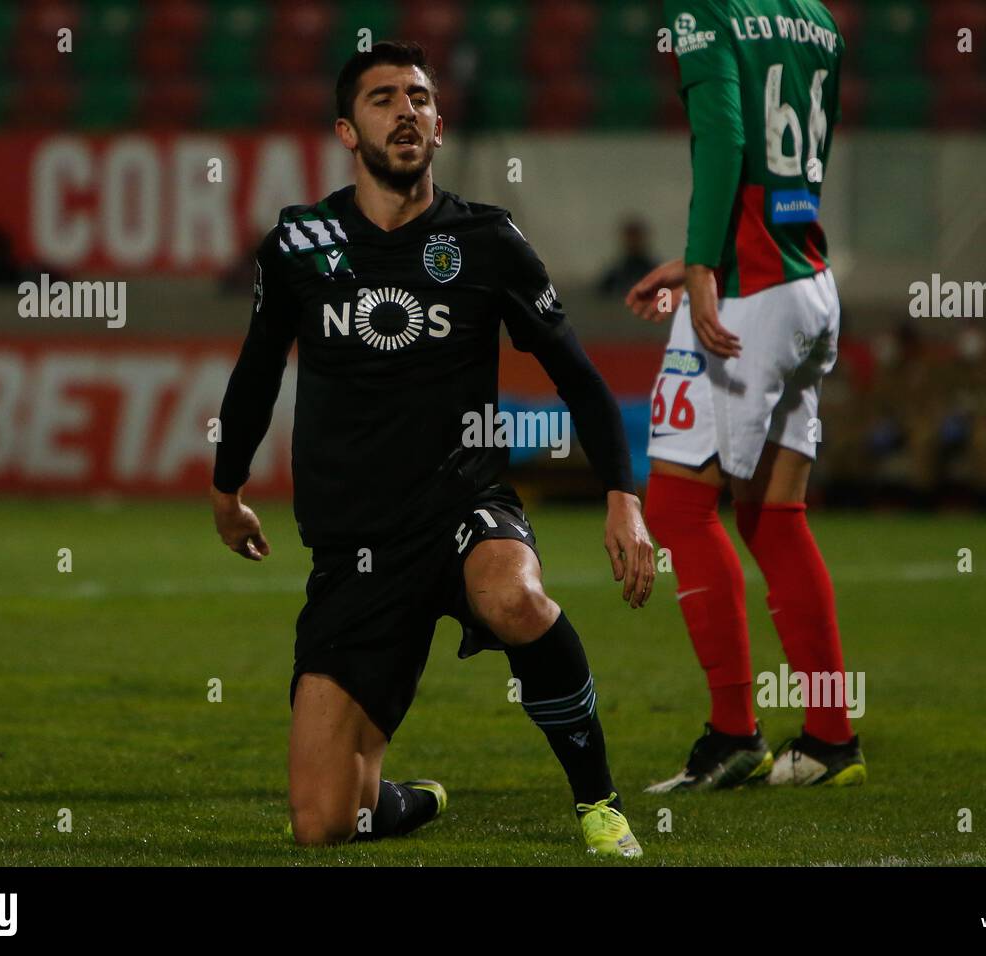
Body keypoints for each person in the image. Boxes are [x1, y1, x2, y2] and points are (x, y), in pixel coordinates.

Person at [210, 41, 654, 856]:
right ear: (347, 130)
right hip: (353, 547)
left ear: (440, 126)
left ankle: (600, 802)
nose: (405, 111)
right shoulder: (299, 247)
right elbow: (255, 373)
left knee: (513, 597)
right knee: (322, 825)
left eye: (418, 98)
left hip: (464, 505)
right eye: (383, 99)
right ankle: (407, 801)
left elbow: (579, 378)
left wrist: (623, 497)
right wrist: (226, 488)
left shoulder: (487, 242)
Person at [626, 0, 865, 790]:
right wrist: (704, 255)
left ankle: (733, 733)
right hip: (806, 282)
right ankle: (831, 739)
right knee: (775, 517)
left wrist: (703, 265)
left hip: (749, 298)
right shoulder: (815, 20)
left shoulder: (707, 9)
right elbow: (783, 164)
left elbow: (728, 138)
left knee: (676, 509)